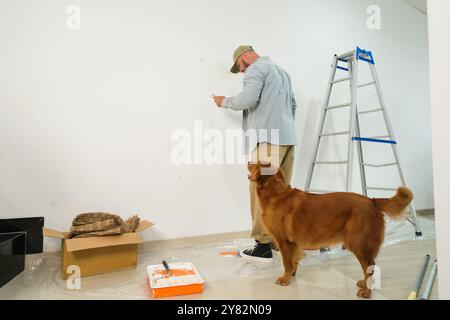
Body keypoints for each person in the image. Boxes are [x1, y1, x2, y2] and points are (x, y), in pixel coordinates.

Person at [213, 45, 297, 262]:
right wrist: (283, 127)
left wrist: (224, 102)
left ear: (247, 56)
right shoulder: (282, 72)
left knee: (261, 190)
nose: (241, 71)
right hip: (287, 141)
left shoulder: (256, 69)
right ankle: (281, 240)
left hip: (268, 142)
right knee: (281, 192)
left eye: (239, 66)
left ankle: (263, 246)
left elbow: (247, 100)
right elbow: (293, 105)